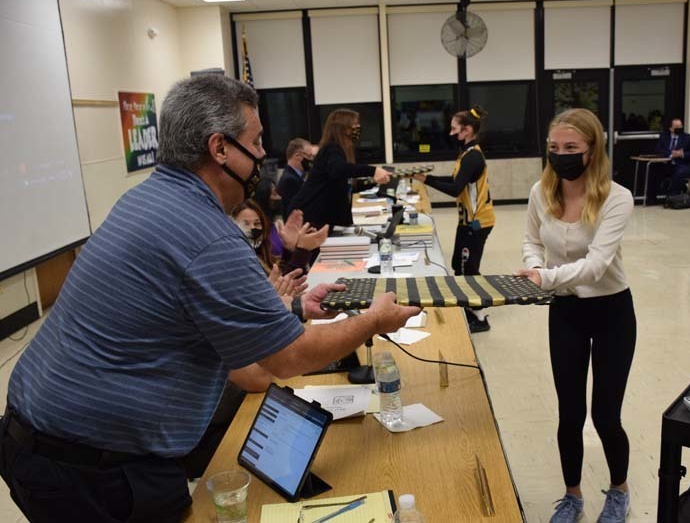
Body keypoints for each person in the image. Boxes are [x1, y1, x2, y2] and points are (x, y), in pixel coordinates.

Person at [0, 74, 420, 523]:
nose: (263, 156)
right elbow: (289, 359)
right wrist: (373, 319)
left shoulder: (144, 199)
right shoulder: (208, 235)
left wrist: (295, 307)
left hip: (32, 435)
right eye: (256, 142)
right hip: (89, 466)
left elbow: (198, 317)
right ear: (220, 148)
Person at [517, 108, 636, 523]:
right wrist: (534, 266)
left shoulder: (617, 198)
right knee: (570, 412)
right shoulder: (540, 192)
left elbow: (597, 265)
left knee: (606, 414)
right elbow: (531, 241)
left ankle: (619, 490)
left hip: (611, 312)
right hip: (566, 310)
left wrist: (543, 276)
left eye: (571, 148)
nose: (560, 155)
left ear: (592, 150)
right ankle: (573, 496)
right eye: (554, 147)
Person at [414, 105, 494, 333]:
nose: (451, 133)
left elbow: (454, 188)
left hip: (478, 222)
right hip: (467, 221)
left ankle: (480, 317)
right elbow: (454, 179)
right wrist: (426, 177)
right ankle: (470, 307)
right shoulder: (467, 154)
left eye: (454, 129)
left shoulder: (473, 156)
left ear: (467, 130)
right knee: (457, 264)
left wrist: (426, 180)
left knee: (469, 268)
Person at [291, 109, 391, 227]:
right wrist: (373, 170)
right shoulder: (331, 149)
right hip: (310, 217)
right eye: (354, 125)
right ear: (342, 129)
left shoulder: (337, 151)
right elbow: (339, 169)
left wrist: (373, 181)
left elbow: (347, 187)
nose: (357, 128)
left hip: (325, 217)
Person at [655, 117, 690, 197]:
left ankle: (672, 196)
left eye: (680, 127)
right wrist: (671, 154)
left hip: (683, 165)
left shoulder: (688, 138)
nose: (679, 129)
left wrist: (682, 154)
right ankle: (651, 198)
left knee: (680, 172)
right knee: (653, 169)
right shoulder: (664, 137)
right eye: (677, 127)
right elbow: (658, 149)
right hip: (667, 164)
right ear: (671, 128)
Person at [278, 138, 314, 220]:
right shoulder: (290, 180)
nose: (311, 160)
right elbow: (294, 211)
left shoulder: (296, 176)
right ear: (297, 155)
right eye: (309, 156)